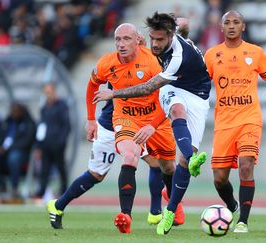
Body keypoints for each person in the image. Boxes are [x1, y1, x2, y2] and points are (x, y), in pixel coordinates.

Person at [47, 23, 177, 234]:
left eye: (127, 39)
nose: (121, 44)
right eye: (118, 39)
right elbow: (92, 85)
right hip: (110, 126)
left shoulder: (151, 60)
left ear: (137, 40)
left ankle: (153, 212)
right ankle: (58, 205)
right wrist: (91, 120)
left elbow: (166, 89)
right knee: (97, 174)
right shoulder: (108, 64)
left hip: (139, 122)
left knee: (157, 163)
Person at [92, 12, 211, 235]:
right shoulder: (161, 42)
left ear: (170, 37)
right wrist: (181, 23)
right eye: (152, 39)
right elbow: (181, 28)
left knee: (174, 165)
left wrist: (113, 93)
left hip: (197, 96)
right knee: (175, 111)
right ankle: (130, 213)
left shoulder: (176, 58)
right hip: (169, 92)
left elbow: (147, 88)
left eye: (160, 40)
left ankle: (171, 208)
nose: (155, 44)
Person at [204, 10, 266, 233]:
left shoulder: (256, 52)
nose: (231, 26)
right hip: (224, 123)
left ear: (243, 27)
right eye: (227, 22)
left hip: (249, 119)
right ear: (221, 28)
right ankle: (232, 206)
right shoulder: (211, 55)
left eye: (236, 22)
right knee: (219, 179)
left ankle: (243, 222)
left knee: (246, 165)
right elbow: (200, 85)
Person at [0, 102, 36, 202]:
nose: (14, 113)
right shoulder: (7, 123)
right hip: (3, 155)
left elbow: (27, 142)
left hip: (21, 154)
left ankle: (14, 188)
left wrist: (8, 149)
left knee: (14, 157)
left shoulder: (29, 123)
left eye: (16, 111)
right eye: (12, 111)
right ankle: (1, 185)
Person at [34, 83, 71, 198]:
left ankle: (64, 189)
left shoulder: (62, 105)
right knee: (44, 168)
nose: (48, 94)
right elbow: (42, 126)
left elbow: (66, 125)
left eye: (49, 91)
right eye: (46, 92)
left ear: (54, 91)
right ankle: (42, 190)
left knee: (61, 167)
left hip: (58, 143)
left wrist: (62, 141)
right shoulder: (44, 107)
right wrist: (39, 145)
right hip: (46, 143)